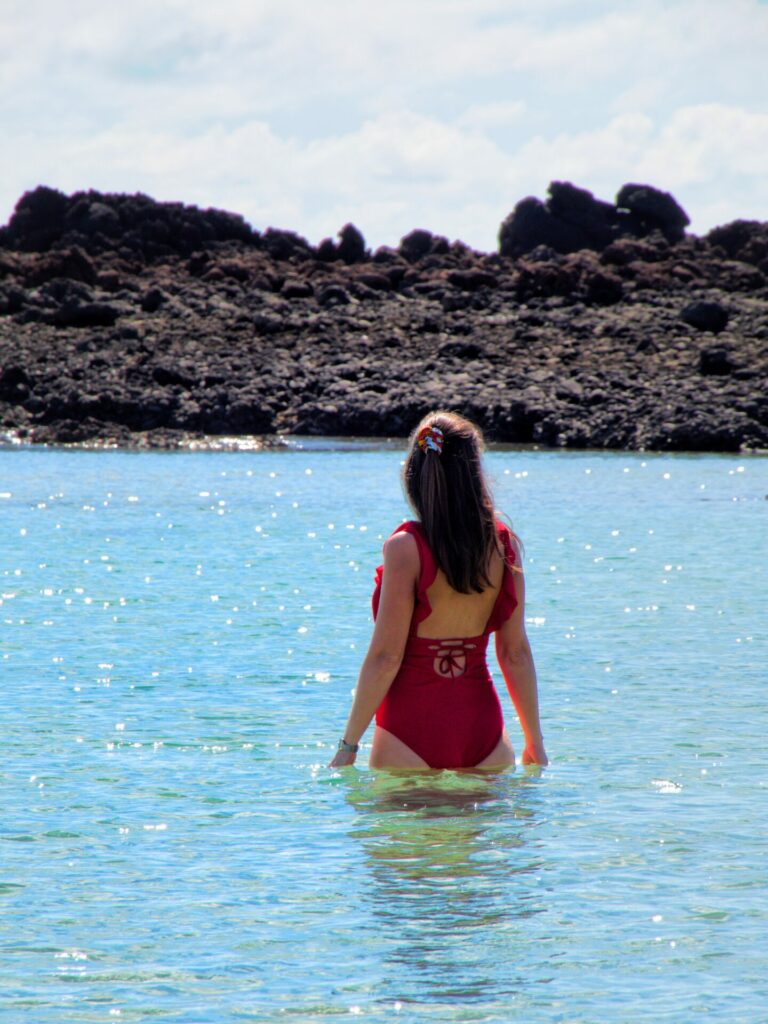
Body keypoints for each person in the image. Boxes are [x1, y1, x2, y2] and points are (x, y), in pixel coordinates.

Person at [328, 411, 548, 771]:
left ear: (414, 474)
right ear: (474, 473)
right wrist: (535, 743)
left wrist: (348, 746)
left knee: (411, 829)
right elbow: (516, 653)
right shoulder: (502, 544)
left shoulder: (405, 548)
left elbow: (386, 659)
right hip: (484, 734)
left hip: (408, 735)